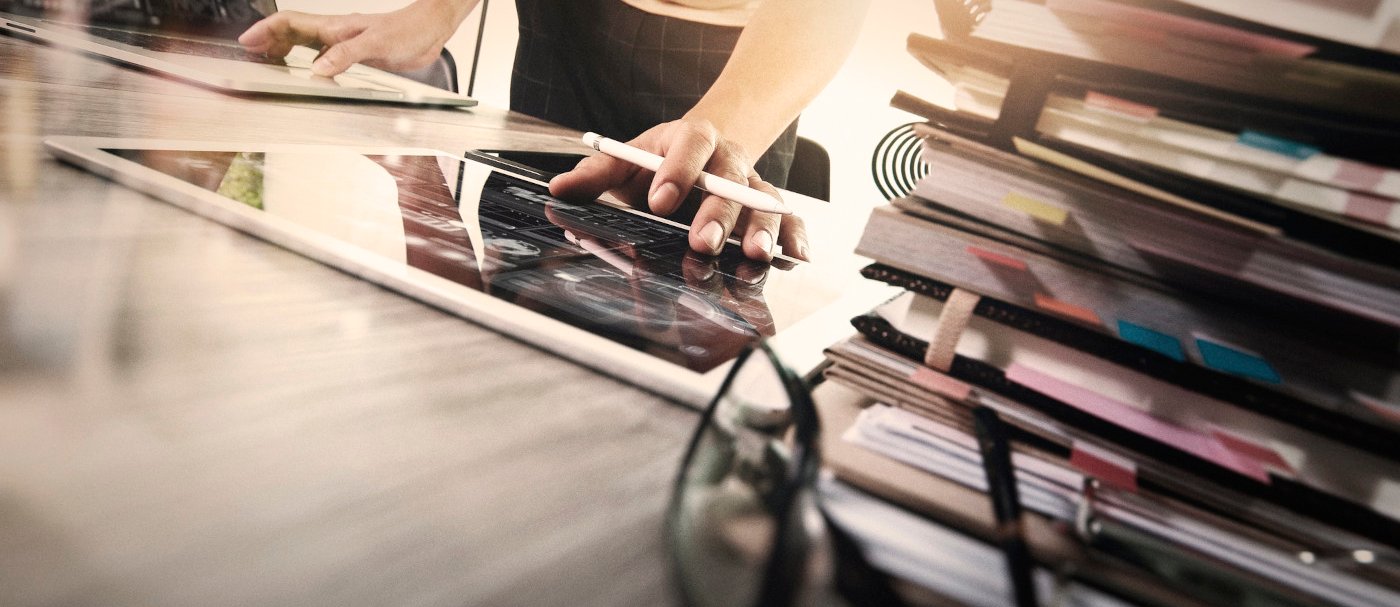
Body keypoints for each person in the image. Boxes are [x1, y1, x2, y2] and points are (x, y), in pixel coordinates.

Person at [238, 0, 868, 262]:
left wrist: (724, 126)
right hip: (558, 48)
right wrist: (432, 14)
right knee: (523, 277)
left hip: (727, 73)